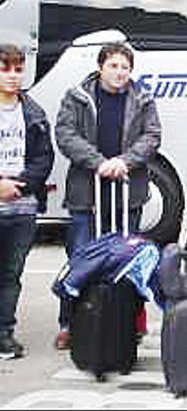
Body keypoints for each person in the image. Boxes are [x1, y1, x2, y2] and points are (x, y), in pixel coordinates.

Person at [54, 43, 161, 350]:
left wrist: (124, 161)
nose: (119, 72)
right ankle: (71, 324)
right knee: (81, 258)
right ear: (101, 66)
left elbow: (152, 135)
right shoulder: (77, 96)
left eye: (125, 67)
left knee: (129, 259)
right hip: (87, 193)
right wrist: (98, 162)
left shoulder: (142, 98)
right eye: (113, 66)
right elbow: (66, 135)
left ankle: (126, 322)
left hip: (127, 191)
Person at [0, 44, 54, 360]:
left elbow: (43, 157)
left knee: (11, 274)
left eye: (18, 69)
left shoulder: (32, 111)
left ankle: (5, 333)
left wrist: (17, 187)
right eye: (5, 68)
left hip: (22, 207)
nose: (12, 76)